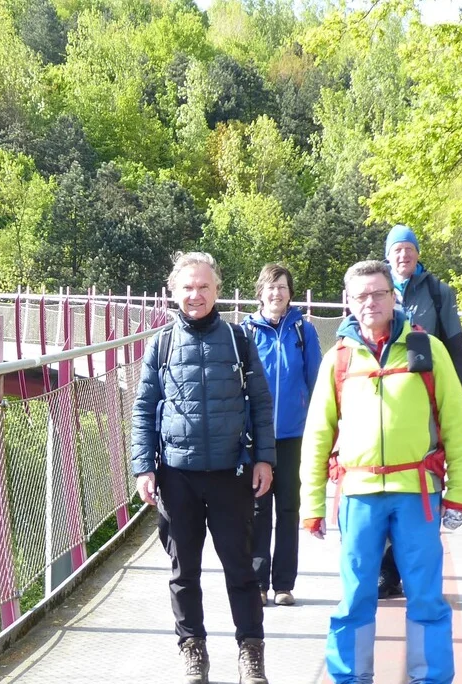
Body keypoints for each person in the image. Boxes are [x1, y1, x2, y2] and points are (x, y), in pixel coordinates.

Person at [300, 259, 462, 684]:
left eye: (378, 293)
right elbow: (318, 435)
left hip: (417, 493)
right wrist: (312, 504)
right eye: (360, 295)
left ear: (393, 296)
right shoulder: (338, 359)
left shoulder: (427, 350)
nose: (370, 302)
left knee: (426, 597)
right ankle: (351, 678)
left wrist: (459, 494)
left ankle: (429, 678)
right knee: (355, 598)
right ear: (347, 302)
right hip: (358, 495)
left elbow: (456, 425)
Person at [132, 251, 276, 684]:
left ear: (217, 290)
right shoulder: (159, 344)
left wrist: (265, 458)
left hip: (232, 472)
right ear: (172, 292)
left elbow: (261, 404)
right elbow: (143, 408)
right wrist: (144, 467)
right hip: (177, 475)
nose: (195, 295)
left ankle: (251, 653)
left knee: (243, 571)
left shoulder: (238, 340)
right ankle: (193, 650)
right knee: (184, 572)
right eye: (187, 287)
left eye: (204, 287)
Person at [380, 224, 462, 599]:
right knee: (386, 483)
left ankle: (407, 568)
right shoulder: (376, 289)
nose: (403, 256)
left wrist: (458, 406)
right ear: (388, 256)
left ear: (418, 254)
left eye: (409, 250)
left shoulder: (438, 293)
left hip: (427, 403)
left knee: (422, 485)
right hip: (386, 402)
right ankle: (387, 572)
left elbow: (455, 349)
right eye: (397, 250)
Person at [242, 264, 322, 607]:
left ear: (291, 293)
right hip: (256, 435)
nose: (277, 293)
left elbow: (317, 382)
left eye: (283, 288)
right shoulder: (246, 331)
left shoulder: (304, 331)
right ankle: (258, 582)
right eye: (271, 288)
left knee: (289, 509)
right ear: (260, 292)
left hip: (293, 434)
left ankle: (284, 584)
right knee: (258, 509)